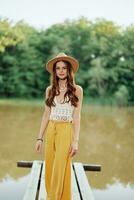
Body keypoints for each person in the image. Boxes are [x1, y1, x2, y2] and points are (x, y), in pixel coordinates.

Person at [35, 52, 83, 200]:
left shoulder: (77, 90)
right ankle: (51, 195)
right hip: (51, 130)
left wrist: (75, 141)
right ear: (54, 71)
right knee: (50, 165)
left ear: (69, 70)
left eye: (64, 68)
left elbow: (76, 116)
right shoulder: (50, 90)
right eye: (58, 68)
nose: (61, 71)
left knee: (61, 166)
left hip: (65, 130)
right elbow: (46, 115)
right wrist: (39, 138)